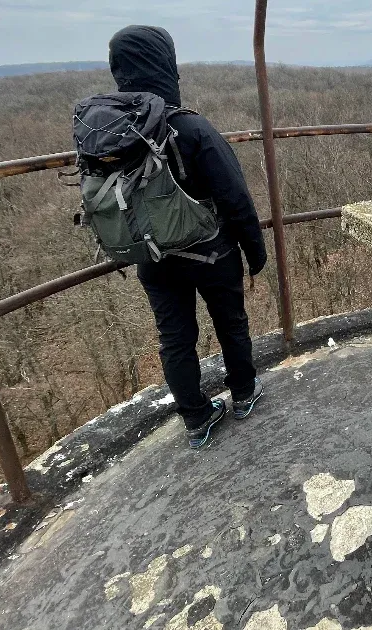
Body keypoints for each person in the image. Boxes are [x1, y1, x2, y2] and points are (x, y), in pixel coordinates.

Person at [108, 25, 266, 449]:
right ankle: (245, 394)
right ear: (168, 67)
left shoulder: (109, 135)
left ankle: (196, 420)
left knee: (175, 339)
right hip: (211, 254)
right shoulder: (191, 129)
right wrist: (255, 252)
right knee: (230, 324)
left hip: (153, 257)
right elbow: (235, 197)